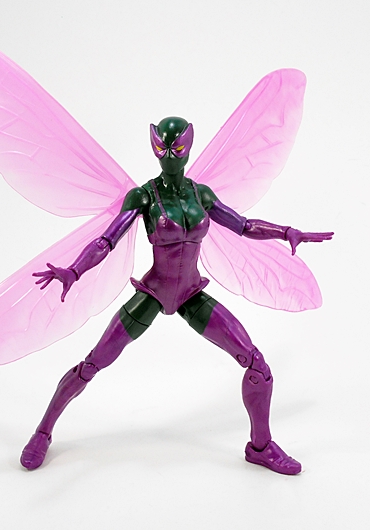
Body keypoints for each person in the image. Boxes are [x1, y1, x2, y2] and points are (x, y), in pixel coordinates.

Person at [21, 116, 333, 475]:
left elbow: (244, 226)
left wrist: (285, 231)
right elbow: (107, 240)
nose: (170, 155)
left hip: (190, 295)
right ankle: (42, 431)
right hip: (153, 294)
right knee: (92, 364)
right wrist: (74, 270)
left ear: (189, 146)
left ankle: (261, 447)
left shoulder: (201, 194)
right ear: (153, 147)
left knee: (257, 366)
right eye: (162, 147)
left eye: (177, 147)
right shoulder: (143, 196)